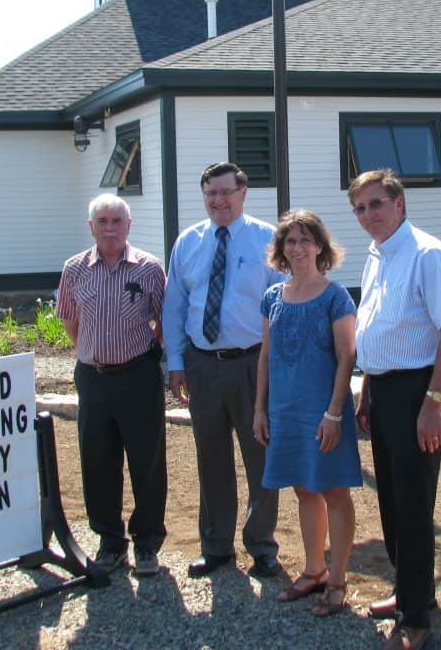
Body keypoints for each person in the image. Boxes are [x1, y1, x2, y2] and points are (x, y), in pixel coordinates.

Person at [349, 169, 441, 650]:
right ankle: (407, 591)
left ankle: (415, 617)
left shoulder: (427, 254)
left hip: (420, 393)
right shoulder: (375, 257)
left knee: (414, 504)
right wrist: (367, 389)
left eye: (376, 204)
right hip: (384, 391)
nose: (367, 215)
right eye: (359, 208)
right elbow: (377, 328)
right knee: (393, 501)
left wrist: (433, 403)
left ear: (399, 204)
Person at [162, 162, 285, 579]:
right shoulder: (188, 242)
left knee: (261, 459)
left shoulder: (268, 239)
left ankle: (262, 546)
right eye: (211, 193)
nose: (219, 200)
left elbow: (282, 306)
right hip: (203, 367)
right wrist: (176, 363)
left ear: (243, 192)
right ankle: (216, 546)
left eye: (226, 192)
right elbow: (175, 306)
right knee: (211, 459)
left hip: (254, 364)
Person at [253, 210, 361, 616]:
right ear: (281, 248)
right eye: (290, 241)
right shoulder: (272, 296)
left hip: (323, 411)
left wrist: (334, 413)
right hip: (284, 410)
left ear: (320, 246)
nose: (297, 248)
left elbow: (347, 357)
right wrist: (259, 408)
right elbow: (266, 355)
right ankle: (313, 570)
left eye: (305, 240)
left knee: (333, 490)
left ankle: (337, 579)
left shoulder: (336, 297)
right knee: (302, 488)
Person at [57, 193, 167, 578]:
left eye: (117, 221)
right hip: (94, 379)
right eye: (102, 221)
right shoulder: (74, 270)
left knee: (147, 462)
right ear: (91, 227)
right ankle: (110, 542)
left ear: (129, 225)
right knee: (97, 460)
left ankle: (148, 543)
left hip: (139, 377)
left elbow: (164, 318)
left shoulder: (150, 269)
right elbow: (70, 319)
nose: (109, 228)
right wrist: (91, 352)